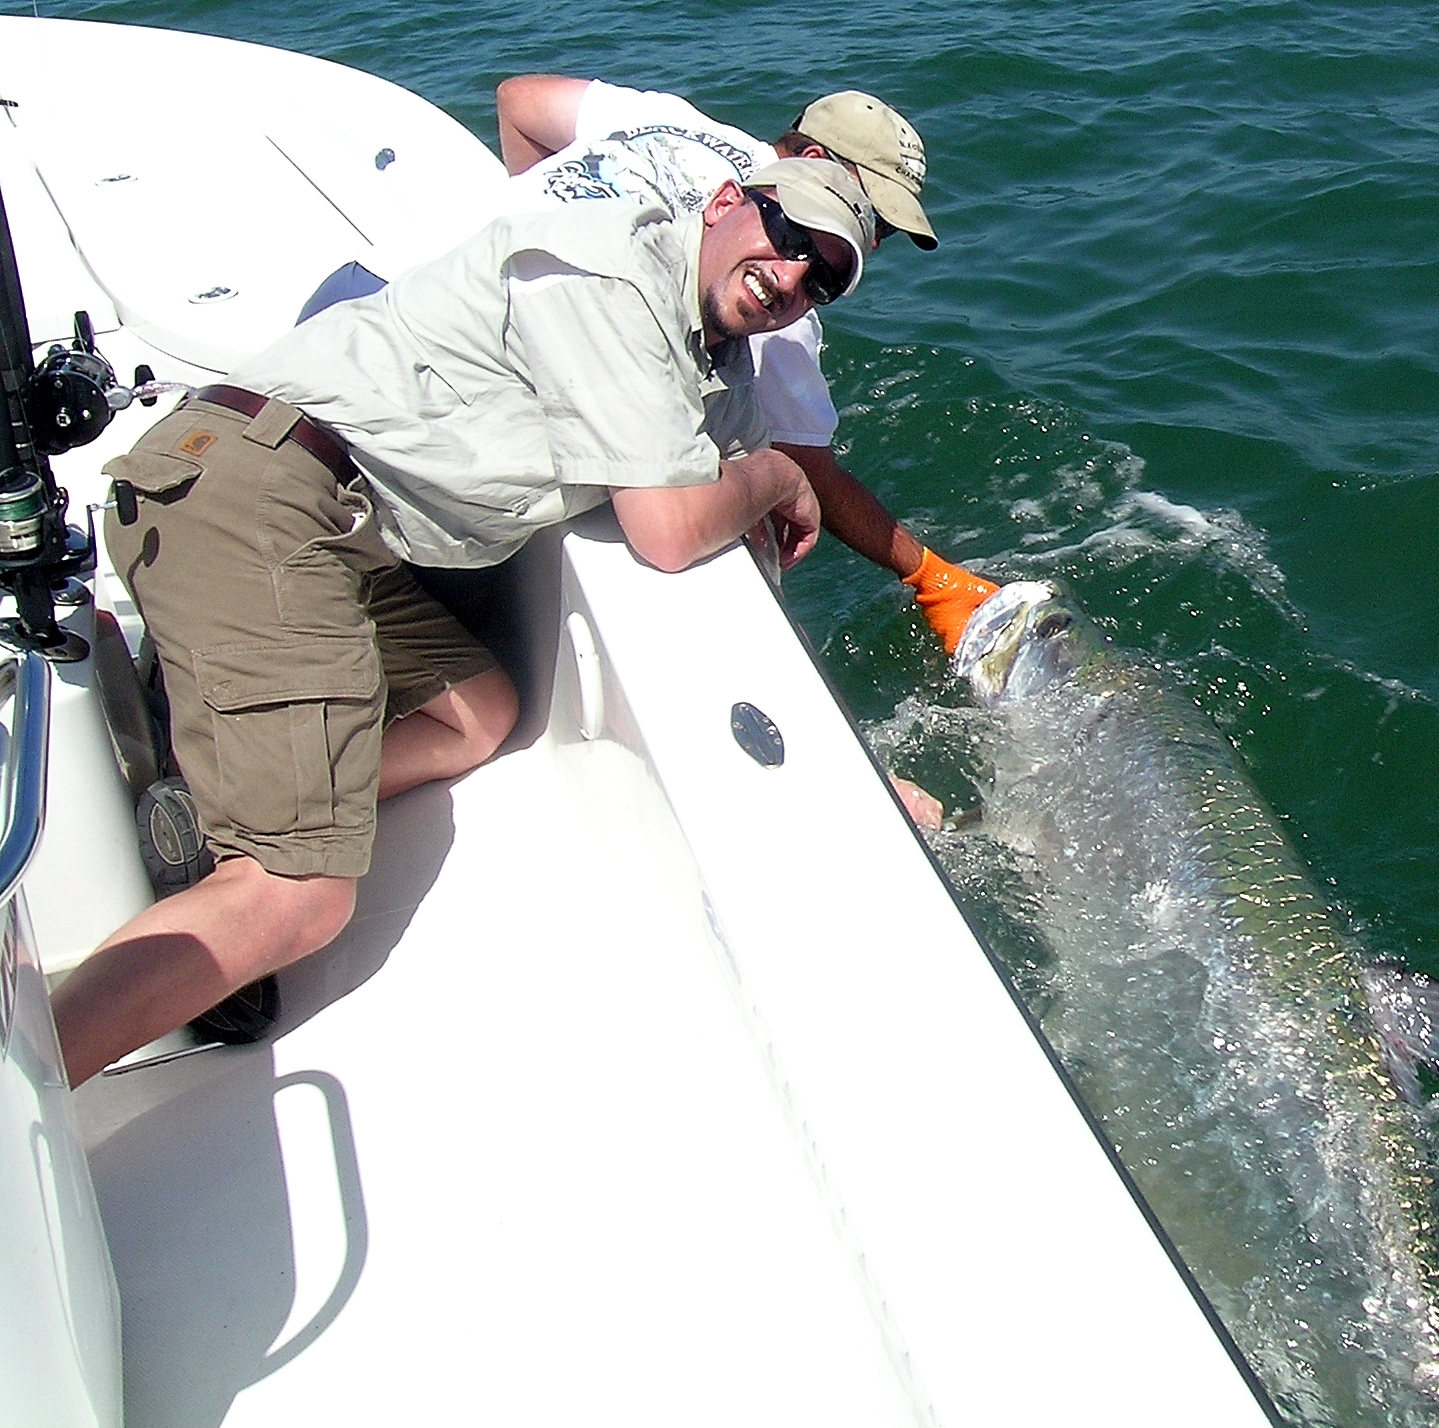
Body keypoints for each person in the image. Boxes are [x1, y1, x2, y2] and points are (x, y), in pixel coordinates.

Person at [50, 159, 876, 1086]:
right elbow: (673, 529)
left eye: (823, 278)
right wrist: (783, 478)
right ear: (728, 202)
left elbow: (724, 489)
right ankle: (27, 1078)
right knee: (300, 897)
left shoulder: (709, 345)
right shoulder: (612, 275)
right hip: (256, 492)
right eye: (790, 238)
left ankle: (208, 808)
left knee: (476, 716)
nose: (792, 276)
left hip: (347, 528)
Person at [495, 76, 997, 656]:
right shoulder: (769, 295)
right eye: (875, 220)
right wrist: (930, 577)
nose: (874, 243)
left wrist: (532, 237)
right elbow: (798, 460)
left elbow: (519, 102)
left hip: (435, 284)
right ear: (812, 161)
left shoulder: (673, 120)